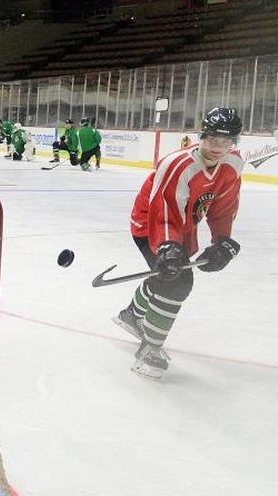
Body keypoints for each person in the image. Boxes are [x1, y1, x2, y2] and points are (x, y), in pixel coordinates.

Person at [114, 107, 244, 379]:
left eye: (226, 141)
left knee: (168, 275)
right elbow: (163, 209)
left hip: (184, 228)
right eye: (212, 139)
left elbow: (222, 207)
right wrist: (167, 246)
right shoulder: (179, 165)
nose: (218, 147)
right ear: (202, 136)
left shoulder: (232, 165)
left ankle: (130, 315)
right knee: (178, 282)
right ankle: (150, 348)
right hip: (149, 225)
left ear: (234, 143)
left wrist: (222, 240)